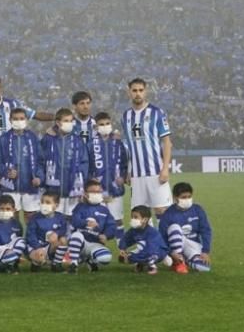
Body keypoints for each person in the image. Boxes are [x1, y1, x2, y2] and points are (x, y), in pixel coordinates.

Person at [121, 78, 174, 216]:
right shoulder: (125, 116)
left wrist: (165, 169)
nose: (138, 93)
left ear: (146, 91)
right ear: (129, 92)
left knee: (162, 212)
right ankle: (145, 239)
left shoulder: (157, 113)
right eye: (134, 90)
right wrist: (127, 170)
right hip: (136, 175)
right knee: (140, 215)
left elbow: (167, 142)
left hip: (155, 172)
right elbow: (128, 146)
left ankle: (165, 238)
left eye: (140, 90)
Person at [0, 108, 44, 222]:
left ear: (27, 120)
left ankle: (30, 239)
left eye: (21, 118)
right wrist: (6, 171)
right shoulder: (3, 139)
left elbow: (41, 161)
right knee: (11, 218)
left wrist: (39, 178)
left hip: (30, 185)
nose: (18, 121)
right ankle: (14, 239)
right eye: (15, 119)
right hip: (10, 186)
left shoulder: (33, 138)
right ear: (10, 120)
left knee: (31, 218)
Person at [39, 108, 89, 216]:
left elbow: (84, 163)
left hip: (72, 189)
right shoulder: (47, 139)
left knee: (72, 219)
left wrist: (82, 184)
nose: (69, 124)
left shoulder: (78, 140)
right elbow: (40, 161)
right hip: (53, 190)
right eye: (66, 121)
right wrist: (41, 182)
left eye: (71, 121)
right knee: (53, 219)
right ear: (58, 122)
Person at [89, 112, 129, 236]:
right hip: (96, 189)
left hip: (115, 188)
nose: (105, 126)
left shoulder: (118, 143)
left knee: (117, 220)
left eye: (107, 123)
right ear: (96, 127)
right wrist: (91, 180)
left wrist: (123, 176)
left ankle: (121, 248)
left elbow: (124, 163)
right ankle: (96, 248)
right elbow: (87, 165)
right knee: (95, 221)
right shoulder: (90, 143)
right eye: (101, 124)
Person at [159, 182, 213, 273]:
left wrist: (205, 251)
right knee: (174, 228)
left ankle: (186, 261)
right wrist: (171, 252)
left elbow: (206, 230)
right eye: (183, 197)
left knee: (204, 268)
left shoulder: (198, 209)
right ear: (175, 198)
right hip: (175, 246)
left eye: (189, 196)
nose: (187, 199)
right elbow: (161, 237)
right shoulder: (168, 214)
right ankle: (178, 262)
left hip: (193, 245)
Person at [65, 179, 117, 273]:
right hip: (81, 243)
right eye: (93, 192)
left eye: (98, 192)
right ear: (85, 193)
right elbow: (74, 221)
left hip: (95, 243)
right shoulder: (80, 207)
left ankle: (90, 261)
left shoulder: (104, 210)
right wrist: (86, 223)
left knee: (106, 257)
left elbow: (112, 226)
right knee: (76, 235)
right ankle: (74, 263)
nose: (96, 194)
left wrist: (106, 235)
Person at [25, 192, 69, 272]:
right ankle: (36, 263)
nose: (44, 204)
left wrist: (57, 233)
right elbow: (30, 236)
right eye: (42, 202)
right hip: (36, 247)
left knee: (63, 240)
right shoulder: (34, 218)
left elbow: (63, 229)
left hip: (49, 247)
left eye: (48, 202)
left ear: (56, 205)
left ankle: (56, 264)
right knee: (39, 257)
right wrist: (37, 247)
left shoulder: (60, 217)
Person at [119, 206, 169, 275]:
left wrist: (132, 258)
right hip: (145, 250)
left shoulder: (152, 233)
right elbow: (126, 238)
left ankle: (152, 267)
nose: (133, 219)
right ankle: (141, 264)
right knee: (130, 254)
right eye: (132, 217)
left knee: (148, 253)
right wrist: (122, 249)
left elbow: (150, 250)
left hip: (159, 251)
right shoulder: (134, 230)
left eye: (135, 217)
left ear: (145, 220)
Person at [0, 195, 26, 274]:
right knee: (7, 252)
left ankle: (12, 264)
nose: (4, 212)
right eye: (2, 209)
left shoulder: (17, 224)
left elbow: (17, 242)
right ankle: (3, 265)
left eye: (8, 209)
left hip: (9, 249)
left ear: (14, 210)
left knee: (21, 241)